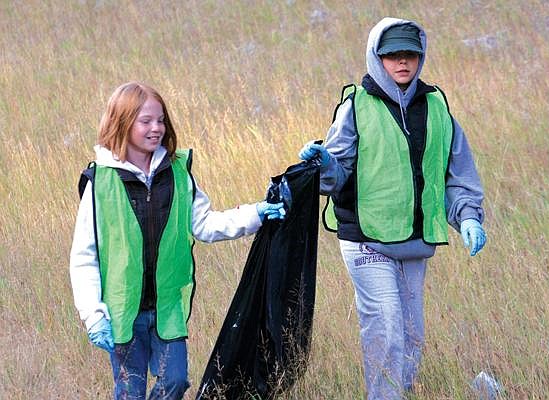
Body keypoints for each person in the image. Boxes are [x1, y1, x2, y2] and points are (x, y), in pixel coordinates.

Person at [299, 17, 487, 399]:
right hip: (364, 239)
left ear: (421, 56)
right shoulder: (356, 106)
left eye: (410, 54)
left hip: (414, 241)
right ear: (376, 56)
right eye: (393, 55)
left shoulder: (438, 107)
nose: (402, 62)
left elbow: (457, 173)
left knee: (412, 334)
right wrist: (324, 164)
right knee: (386, 326)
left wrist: (468, 216)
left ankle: (398, 392)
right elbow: (335, 176)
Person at [69, 81, 285, 399]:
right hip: (122, 312)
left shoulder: (178, 172)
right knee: (130, 392)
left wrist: (256, 213)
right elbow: (84, 255)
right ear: (122, 123)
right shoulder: (100, 182)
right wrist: (93, 314)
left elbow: (206, 224)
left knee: (176, 381)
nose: (156, 128)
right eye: (146, 121)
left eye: (161, 120)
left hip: (167, 309)